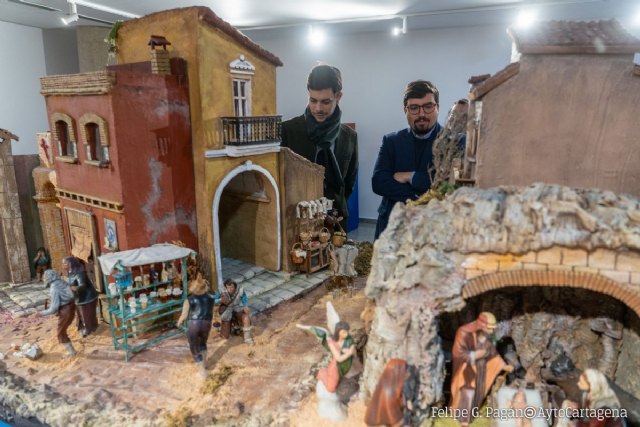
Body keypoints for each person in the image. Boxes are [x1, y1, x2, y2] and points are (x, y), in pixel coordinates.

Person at [281, 64, 358, 229]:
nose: (318, 108)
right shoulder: (287, 130)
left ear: (338, 96)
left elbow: (348, 183)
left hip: (336, 221)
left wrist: (334, 207)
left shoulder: (350, 136)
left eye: (325, 102)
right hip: (297, 221)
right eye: (313, 100)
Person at [371, 80, 443, 239]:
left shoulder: (452, 142)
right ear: (405, 110)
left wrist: (411, 176)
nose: (422, 114)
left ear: (437, 107)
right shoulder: (391, 141)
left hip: (433, 231)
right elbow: (378, 183)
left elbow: (447, 187)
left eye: (428, 106)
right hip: (391, 227)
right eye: (414, 108)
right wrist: (423, 195)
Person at [450, 312, 512, 426]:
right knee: (467, 391)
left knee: (479, 391)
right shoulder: (464, 332)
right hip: (466, 370)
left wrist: (503, 365)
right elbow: (458, 352)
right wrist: (474, 355)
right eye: (489, 328)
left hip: (481, 369)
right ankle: (463, 418)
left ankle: (472, 412)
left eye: (493, 329)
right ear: (481, 325)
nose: (491, 332)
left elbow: (493, 353)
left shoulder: (486, 336)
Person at [177, 274, 216, 379]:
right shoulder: (211, 298)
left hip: (194, 324)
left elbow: (184, 315)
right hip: (207, 323)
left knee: (194, 346)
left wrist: (179, 321)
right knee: (203, 343)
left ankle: (202, 371)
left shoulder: (189, 299)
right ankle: (204, 363)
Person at [33, 269, 76, 357]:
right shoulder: (61, 282)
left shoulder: (54, 288)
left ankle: (72, 352)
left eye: (45, 277)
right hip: (71, 307)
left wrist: (40, 313)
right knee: (63, 329)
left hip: (65, 311)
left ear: (50, 277)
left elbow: (53, 308)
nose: (43, 278)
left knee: (61, 332)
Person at [364, 358, 419, 427]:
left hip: (381, 415)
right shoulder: (390, 390)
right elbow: (396, 417)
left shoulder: (387, 381)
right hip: (389, 414)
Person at [62, 256, 98, 337]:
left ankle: (89, 328)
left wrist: (73, 288)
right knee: (80, 314)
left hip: (87, 297)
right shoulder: (70, 273)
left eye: (64, 263)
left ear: (70, 264)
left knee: (86, 314)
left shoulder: (79, 273)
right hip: (79, 297)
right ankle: (83, 326)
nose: (63, 265)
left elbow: (82, 286)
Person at [214, 279, 253, 345]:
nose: (230, 289)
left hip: (237, 307)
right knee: (225, 336)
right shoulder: (220, 290)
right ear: (225, 287)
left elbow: (244, 297)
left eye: (232, 287)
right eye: (228, 287)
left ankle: (247, 338)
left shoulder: (239, 290)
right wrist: (220, 300)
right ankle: (226, 328)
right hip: (226, 310)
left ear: (235, 286)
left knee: (246, 317)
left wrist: (245, 306)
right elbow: (213, 300)